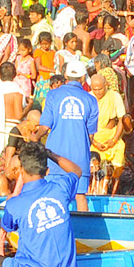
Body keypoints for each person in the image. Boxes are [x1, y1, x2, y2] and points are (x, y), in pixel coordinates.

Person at [0, 142, 84, 267]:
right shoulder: (61, 187)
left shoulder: (14, 204)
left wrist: (11, 201)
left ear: (21, 171)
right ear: (47, 171)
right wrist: (51, 155)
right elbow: (77, 170)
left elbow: (7, 226)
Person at [35, 61, 98, 209]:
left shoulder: (53, 95)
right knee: (80, 196)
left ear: (65, 76)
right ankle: (85, 232)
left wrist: (35, 137)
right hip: (80, 157)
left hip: (55, 156)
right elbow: (90, 136)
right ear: (83, 78)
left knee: (53, 196)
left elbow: (44, 127)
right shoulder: (91, 100)